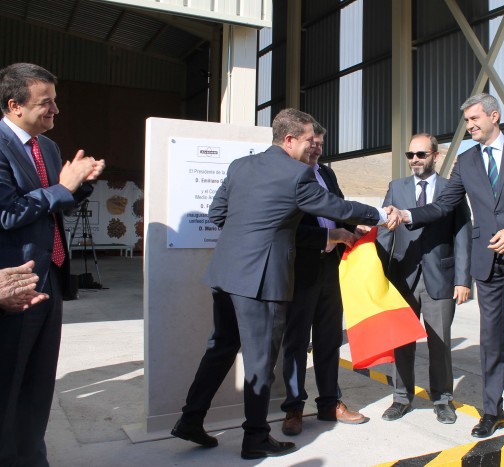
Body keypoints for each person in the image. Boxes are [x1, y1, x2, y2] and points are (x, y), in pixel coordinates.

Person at [171, 108, 399, 460]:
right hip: (261, 280)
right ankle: (256, 438)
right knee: (261, 362)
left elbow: (218, 215)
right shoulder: (297, 176)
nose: (313, 147)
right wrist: (382, 214)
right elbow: (334, 205)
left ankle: (190, 419)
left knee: (221, 348)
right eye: (310, 139)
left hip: (225, 275)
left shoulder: (240, 166)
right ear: (289, 139)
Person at [394, 93, 504, 442]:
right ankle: (491, 411)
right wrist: (407, 214)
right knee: (491, 341)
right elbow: (442, 206)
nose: (469, 126)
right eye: (466, 121)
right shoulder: (465, 162)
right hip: (488, 262)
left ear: (494, 116)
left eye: (473, 119)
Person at [0, 62, 105, 466]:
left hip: (52, 278)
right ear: (14, 105)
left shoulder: (48, 148)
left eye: (55, 101)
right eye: (46, 103)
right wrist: (63, 187)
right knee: (10, 382)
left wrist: (81, 184)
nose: (55, 111)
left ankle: (31, 455)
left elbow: (51, 207)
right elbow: (8, 213)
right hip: (15, 285)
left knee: (39, 381)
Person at [280, 123, 369, 436]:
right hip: (300, 270)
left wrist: (353, 228)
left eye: (320, 143)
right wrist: (329, 234)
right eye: (312, 142)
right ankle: (293, 408)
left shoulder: (327, 174)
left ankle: (330, 402)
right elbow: (286, 228)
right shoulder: (287, 175)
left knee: (329, 339)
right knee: (295, 343)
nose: (316, 148)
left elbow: (339, 208)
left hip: (332, 268)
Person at [376, 133, 472, 424]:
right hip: (402, 277)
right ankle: (401, 398)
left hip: (439, 278)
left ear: (435, 156)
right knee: (402, 341)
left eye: (421, 155)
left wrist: (463, 280)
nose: (415, 160)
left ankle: (442, 399)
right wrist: (377, 272)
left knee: (439, 343)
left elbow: (463, 236)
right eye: (410, 155)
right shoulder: (397, 188)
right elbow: (384, 230)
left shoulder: (451, 189)